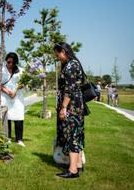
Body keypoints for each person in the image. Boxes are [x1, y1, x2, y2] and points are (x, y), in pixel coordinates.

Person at [53, 42, 86, 178]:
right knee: (77, 134)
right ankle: (77, 165)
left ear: (64, 51)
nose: (58, 57)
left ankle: (72, 170)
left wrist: (64, 107)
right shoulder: (73, 64)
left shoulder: (71, 66)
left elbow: (70, 89)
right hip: (76, 105)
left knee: (72, 135)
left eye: (58, 54)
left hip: (71, 106)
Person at [0, 52, 26, 147]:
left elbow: (24, 82)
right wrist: (8, 92)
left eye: (12, 62)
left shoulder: (21, 71)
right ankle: (8, 137)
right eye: (9, 62)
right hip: (5, 96)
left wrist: (15, 91)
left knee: (18, 117)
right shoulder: (1, 70)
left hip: (17, 97)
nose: (10, 64)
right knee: (7, 117)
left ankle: (19, 139)